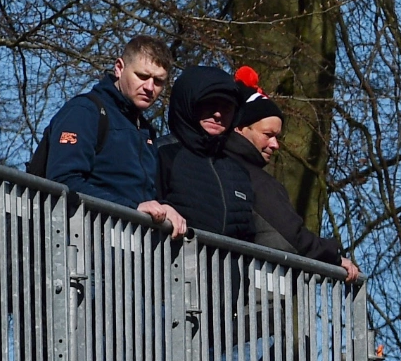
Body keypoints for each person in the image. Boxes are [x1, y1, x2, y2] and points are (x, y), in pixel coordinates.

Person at [37, 35, 185, 238]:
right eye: (142, 76)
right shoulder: (86, 111)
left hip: (130, 251)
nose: (150, 88)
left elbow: (144, 195)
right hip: (81, 245)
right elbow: (63, 181)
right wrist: (132, 208)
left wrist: (164, 208)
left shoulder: (146, 131)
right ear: (119, 68)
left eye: (158, 81)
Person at [227, 67, 361, 281]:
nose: (275, 144)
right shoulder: (256, 180)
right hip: (254, 303)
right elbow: (291, 236)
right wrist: (332, 257)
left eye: (277, 136)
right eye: (268, 135)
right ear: (240, 128)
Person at [155, 65, 254, 241]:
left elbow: (249, 241)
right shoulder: (161, 154)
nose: (217, 114)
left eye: (227, 108)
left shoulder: (239, 172)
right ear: (189, 104)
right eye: (209, 104)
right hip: (170, 265)